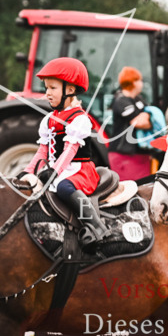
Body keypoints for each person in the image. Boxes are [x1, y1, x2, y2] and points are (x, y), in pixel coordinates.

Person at [21, 57, 107, 249]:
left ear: (69, 90)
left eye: (52, 88)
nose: (47, 94)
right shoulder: (49, 119)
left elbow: (70, 150)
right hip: (59, 169)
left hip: (79, 171)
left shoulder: (80, 119)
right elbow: (43, 150)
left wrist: (54, 172)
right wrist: (28, 172)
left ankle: (96, 226)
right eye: (46, 88)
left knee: (63, 188)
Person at [107, 66, 153, 180]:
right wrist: (147, 116)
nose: (142, 83)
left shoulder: (139, 99)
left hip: (140, 155)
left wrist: (146, 116)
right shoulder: (121, 100)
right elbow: (139, 123)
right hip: (124, 155)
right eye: (140, 80)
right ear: (132, 82)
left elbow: (149, 119)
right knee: (130, 189)